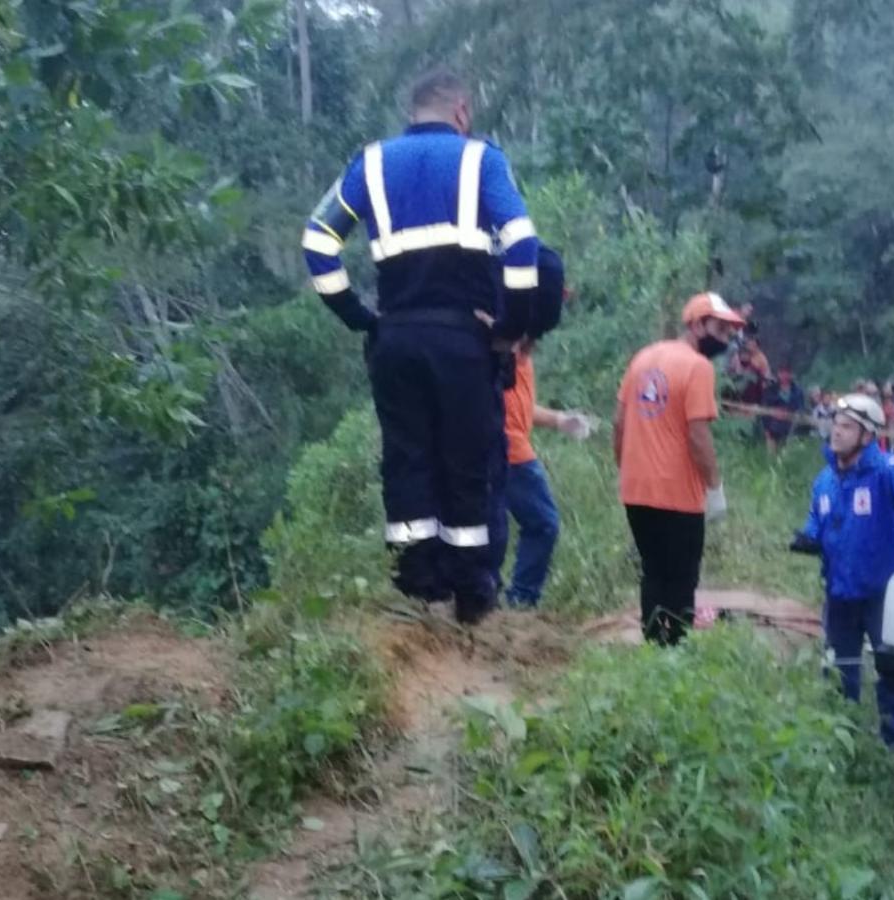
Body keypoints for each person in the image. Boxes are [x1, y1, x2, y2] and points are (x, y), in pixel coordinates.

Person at [302, 67, 541, 624]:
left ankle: (418, 591)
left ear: (415, 111)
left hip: (397, 339)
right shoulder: (482, 160)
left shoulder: (372, 163)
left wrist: (360, 318)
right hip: (463, 340)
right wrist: (509, 328)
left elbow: (318, 240)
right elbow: (523, 245)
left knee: (408, 459)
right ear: (461, 110)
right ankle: (473, 596)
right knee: (469, 460)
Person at [789, 394, 894, 747]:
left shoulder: (885, 474)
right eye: (836, 425)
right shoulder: (824, 480)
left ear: (868, 436)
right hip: (839, 594)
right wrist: (808, 536)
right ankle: (841, 739)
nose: (837, 432)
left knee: (892, 672)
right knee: (839, 669)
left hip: (882, 596)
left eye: (847, 427)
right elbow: (817, 519)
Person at [614, 292, 743, 646]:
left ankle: (653, 645)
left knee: (653, 571)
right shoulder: (698, 367)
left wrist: (624, 468)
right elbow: (698, 434)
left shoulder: (643, 358)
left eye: (730, 331)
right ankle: (675, 650)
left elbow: (619, 422)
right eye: (720, 328)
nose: (726, 337)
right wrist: (714, 486)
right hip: (678, 496)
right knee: (682, 578)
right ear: (697, 324)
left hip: (636, 490)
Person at [492, 343, 594, 607]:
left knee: (495, 524)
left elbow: (518, 407)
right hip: (510, 451)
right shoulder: (504, 351)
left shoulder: (520, 354)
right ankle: (520, 600)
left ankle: (495, 595)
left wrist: (560, 420)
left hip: (501, 449)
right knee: (541, 523)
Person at [761, 365, 805, 452]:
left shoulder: (798, 391)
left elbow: (801, 408)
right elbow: (764, 410)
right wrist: (766, 429)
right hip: (773, 426)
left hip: (791, 427)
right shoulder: (770, 390)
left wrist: (795, 415)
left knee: (787, 454)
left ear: (791, 374)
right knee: (772, 455)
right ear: (778, 374)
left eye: (787, 372)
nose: (784, 375)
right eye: (782, 372)